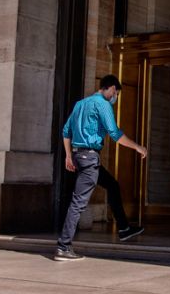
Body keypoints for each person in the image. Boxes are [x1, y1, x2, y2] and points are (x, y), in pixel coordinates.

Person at [56, 74, 148, 261]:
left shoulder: (80, 104)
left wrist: (68, 156)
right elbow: (114, 133)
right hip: (89, 159)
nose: (115, 98)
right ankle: (63, 247)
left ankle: (124, 228)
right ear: (112, 88)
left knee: (112, 185)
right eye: (116, 93)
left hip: (80, 156)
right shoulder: (103, 104)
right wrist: (138, 147)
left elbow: (66, 131)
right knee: (78, 203)